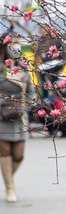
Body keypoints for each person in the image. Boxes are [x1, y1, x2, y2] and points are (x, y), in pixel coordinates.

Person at [0, 31, 36, 203]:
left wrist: (26, 105)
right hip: (1, 116)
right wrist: (6, 102)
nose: (15, 46)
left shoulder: (23, 67)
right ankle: (10, 188)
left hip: (20, 116)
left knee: (19, 155)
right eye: (12, 43)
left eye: (17, 42)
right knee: (5, 151)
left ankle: (8, 179)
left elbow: (31, 91)